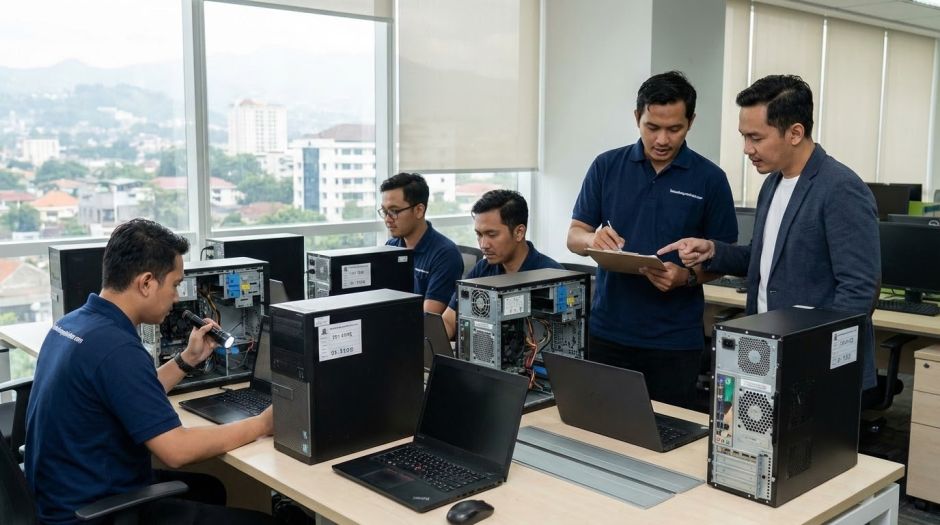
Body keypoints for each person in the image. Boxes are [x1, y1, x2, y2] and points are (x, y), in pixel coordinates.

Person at [25, 219, 273, 525]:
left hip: (63, 496)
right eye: (175, 284)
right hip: (94, 513)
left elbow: (129, 392)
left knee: (210, 488)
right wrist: (262, 424)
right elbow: (176, 450)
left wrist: (186, 359)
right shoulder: (117, 348)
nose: (178, 297)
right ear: (146, 283)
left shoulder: (73, 324)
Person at [659, 74, 880, 391]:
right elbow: (763, 260)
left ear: (795, 133)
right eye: (743, 137)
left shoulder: (840, 188)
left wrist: (817, 354)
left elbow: (859, 290)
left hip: (815, 363)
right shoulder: (773, 183)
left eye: (756, 138)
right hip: (766, 354)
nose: (747, 149)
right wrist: (713, 250)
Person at [566, 71, 737, 408]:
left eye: (674, 129)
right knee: (603, 430)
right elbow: (573, 236)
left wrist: (686, 277)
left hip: (674, 342)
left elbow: (724, 258)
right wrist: (592, 239)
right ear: (637, 118)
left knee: (668, 440)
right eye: (651, 127)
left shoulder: (711, 179)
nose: (662, 139)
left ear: (691, 122)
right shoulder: (606, 166)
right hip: (609, 333)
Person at [442, 190, 562, 338]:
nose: (483, 244)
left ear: (519, 232)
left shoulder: (552, 276)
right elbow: (448, 320)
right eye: (479, 235)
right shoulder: (482, 269)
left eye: (492, 235)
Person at [381, 172, 465, 314]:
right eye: (384, 211)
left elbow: (427, 318)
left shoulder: (445, 254)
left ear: (419, 210)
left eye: (394, 211)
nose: (387, 219)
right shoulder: (392, 246)